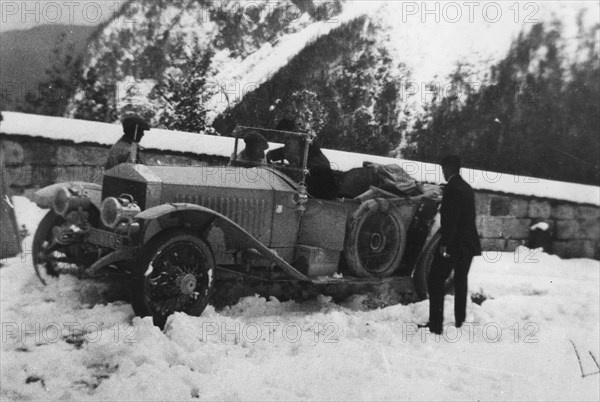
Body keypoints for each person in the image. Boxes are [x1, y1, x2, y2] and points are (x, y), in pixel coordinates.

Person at [425, 155, 481, 334]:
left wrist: (444, 244)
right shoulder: (466, 188)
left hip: (454, 245)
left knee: (434, 280)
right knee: (460, 281)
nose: (442, 172)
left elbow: (451, 220)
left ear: (448, 169)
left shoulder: (451, 188)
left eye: (443, 168)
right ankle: (459, 321)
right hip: (469, 244)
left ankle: (435, 326)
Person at [266, 134, 337, 200]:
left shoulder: (316, 167)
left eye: (288, 145)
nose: (286, 152)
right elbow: (277, 154)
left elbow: (306, 191)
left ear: (302, 149)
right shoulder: (298, 150)